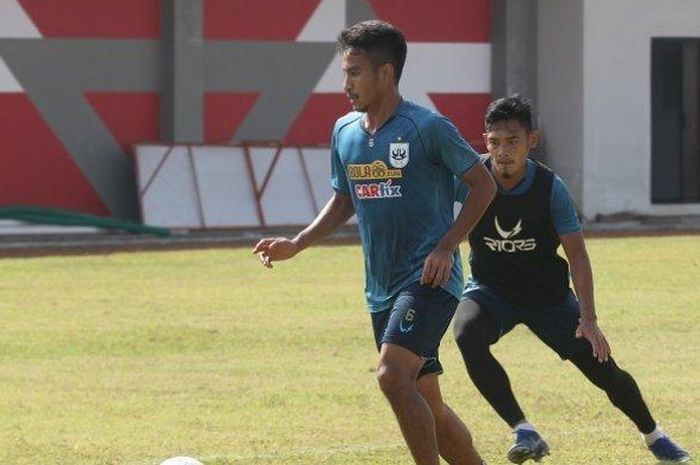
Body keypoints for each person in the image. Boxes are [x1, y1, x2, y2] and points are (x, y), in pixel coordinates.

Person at [254, 20, 496, 465]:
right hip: (380, 287)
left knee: (391, 377)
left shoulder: (427, 127)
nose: (345, 84)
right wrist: (298, 243)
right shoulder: (345, 132)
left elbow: (483, 185)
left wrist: (447, 246)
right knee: (430, 406)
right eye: (345, 73)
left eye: (354, 72)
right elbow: (344, 199)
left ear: (386, 73)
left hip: (429, 278)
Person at [453, 95, 691, 464]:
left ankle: (655, 436)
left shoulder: (551, 188)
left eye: (512, 141)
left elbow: (577, 255)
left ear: (532, 140)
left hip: (548, 298)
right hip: (491, 291)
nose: (503, 151)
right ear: (485, 141)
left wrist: (589, 319)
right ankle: (523, 430)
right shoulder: (473, 181)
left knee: (606, 373)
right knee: (467, 335)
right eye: (495, 141)